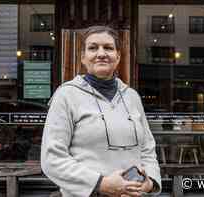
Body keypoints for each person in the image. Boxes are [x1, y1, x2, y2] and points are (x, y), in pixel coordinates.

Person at [41, 26, 161, 197]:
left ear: (118, 57)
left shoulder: (132, 96)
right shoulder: (67, 95)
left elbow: (147, 149)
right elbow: (52, 159)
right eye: (93, 47)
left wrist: (150, 182)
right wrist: (101, 184)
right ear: (83, 57)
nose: (101, 53)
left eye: (108, 48)